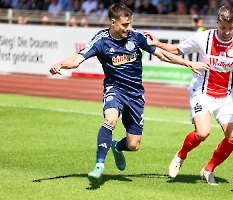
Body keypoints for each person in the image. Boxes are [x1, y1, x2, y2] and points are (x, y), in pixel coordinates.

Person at [49, 3, 210, 182]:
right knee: (110, 118)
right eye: (125, 25)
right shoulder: (101, 40)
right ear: (113, 22)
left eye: (130, 23)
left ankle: (117, 146)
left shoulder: (136, 37)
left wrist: (188, 64)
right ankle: (99, 165)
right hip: (114, 89)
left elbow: (161, 54)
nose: (129, 28)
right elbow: (77, 59)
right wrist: (60, 64)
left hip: (135, 94)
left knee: (133, 145)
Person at [145, 5, 233, 185]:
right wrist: (157, 44)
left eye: (231, 28)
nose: (227, 32)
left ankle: (208, 169)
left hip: (226, 95)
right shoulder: (204, 38)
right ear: (217, 22)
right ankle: (181, 156)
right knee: (203, 133)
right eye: (223, 27)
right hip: (202, 92)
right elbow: (178, 50)